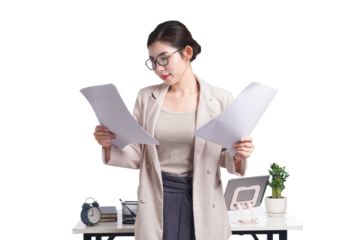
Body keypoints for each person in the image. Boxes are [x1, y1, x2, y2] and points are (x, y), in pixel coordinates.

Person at [93, 18, 256, 240]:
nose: (158, 68)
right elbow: (138, 154)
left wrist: (240, 153)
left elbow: (225, 158)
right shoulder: (145, 96)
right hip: (157, 197)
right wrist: (108, 143)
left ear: (187, 52)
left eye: (164, 58)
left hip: (204, 198)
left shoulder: (221, 97)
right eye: (152, 61)